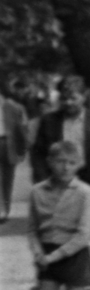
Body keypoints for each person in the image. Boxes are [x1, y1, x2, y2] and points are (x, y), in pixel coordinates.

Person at [29, 76, 90, 250]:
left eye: (73, 98)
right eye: (64, 98)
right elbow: (38, 154)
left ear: (84, 97)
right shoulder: (49, 121)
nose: (69, 102)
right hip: (59, 187)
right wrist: (43, 183)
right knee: (59, 238)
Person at [27, 140, 90, 290]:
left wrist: (53, 257)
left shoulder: (85, 192)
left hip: (74, 255)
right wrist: (39, 252)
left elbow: (84, 234)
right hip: (47, 256)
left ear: (79, 164)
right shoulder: (37, 192)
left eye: (71, 162)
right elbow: (32, 229)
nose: (65, 167)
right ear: (50, 162)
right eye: (60, 162)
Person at [0, 83, 28, 222]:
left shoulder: (12, 107)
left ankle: (5, 210)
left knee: (7, 179)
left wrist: (22, 150)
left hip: (7, 144)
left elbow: (20, 130)